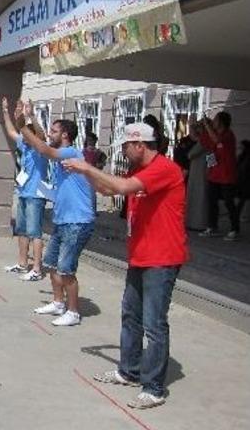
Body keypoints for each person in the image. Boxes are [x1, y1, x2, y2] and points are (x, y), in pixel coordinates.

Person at [64, 122, 188, 410]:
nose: (122, 150)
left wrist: (85, 167)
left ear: (140, 145)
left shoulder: (163, 168)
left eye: (126, 145)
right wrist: (87, 176)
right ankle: (129, 371)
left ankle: (154, 387)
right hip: (141, 255)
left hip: (163, 258)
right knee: (131, 316)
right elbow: (110, 190)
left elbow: (122, 187)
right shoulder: (139, 169)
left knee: (154, 324)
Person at [21, 104, 95, 326]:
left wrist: (25, 126)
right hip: (62, 220)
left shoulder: (71, 152)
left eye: (54, 131)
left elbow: (44, 149)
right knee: (51, 264)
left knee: (66, 269)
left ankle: (73, 312)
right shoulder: (62, 157)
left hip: (78, 222)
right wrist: (29, 118)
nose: (49, 135)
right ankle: (58, 302)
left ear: (65, 135)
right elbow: (45, 144)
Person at [1, 98, 49, 281]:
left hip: (35, 195)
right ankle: (22, 264)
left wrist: (31, 116)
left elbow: (42, 135)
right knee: (21, 230)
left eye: (28, 134)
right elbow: (11, 132)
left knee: (34, 232)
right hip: (22, 192)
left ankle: (36, 268)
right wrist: (6, 112)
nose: (25, 137)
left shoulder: (39, 147)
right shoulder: (24, 145)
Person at [199, 111, 239, 241]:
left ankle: (234, 229)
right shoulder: (213, 134)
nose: (213, 122)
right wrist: (196, 125)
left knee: (229, 202)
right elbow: (207, 145)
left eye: (215, 120)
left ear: (221, 122)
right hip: (214, 174)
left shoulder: (228, 135)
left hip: (227, 175)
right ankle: (212, 227)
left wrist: (207, 126)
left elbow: (217, 141)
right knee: (212, 201)